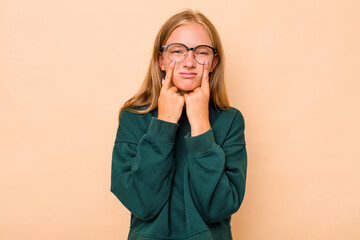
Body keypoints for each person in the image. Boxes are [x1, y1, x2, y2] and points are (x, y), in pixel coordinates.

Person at [110, 9, 247, 240]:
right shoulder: (133, 117)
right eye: (177, 51)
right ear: (161, 60)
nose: (189, 62)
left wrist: (201, 126)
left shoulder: (230, 120)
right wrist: (163, 124)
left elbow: (217, 208)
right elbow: (142, 203)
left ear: (213, 62)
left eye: (201, 52)